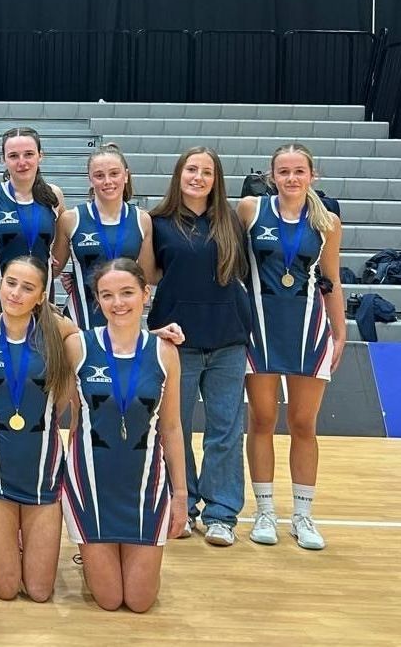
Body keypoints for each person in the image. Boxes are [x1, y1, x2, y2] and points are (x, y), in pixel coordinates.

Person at [238, 143, 347, 551]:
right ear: (272, 177)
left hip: (308, 330)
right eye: (283, 172)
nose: (291, 178)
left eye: (299, 171)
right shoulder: (250, 210)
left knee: (304, 423)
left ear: (312, 175)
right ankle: (265, 510)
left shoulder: (327, 221)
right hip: (260, 330)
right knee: (262, 419)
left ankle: (303, 514)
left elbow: (332, 280)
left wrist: (340, 332)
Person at [63, 259, 188, 612]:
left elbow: (172, 426)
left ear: (145, 294)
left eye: (127, 293)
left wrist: (179, 496)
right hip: (90, 482)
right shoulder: (78, 346)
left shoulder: (165, 351)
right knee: (108, 599)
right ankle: (91, 554)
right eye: (107, 295)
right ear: (97, 301)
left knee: (139, 601)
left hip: (145, 484)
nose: (118, 303)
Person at [0, 254, 76, 601]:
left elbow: (110, 341)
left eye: (28, 288)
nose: (15, 293)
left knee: (40, 592)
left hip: (43, 473)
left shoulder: (60, 332)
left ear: (41, 295)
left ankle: (9, 542)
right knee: (6, 588)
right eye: (11, 283)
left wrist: (158, 336)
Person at [149, 146, 250, 546]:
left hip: (228, 337)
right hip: (177, 341)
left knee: (225, 429)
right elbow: (148, 275)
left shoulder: (231, 220)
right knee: (176, 427)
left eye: (206, 171)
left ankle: (223, 513)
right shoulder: (156, 222)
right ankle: (183, 505)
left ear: (216, 179)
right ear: (179, 174)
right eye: (191, 169)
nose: (198, 177)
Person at [0, 126, 64, 314]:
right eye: (13, 156)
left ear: (40, 155)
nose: (22, 162)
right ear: (3, 159)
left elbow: (60, 245)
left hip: (40, 298)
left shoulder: (54, 195)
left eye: (28, 154)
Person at [52, 143, 153, 329]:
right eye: (99, 175)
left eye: (114, 173)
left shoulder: (142, 220)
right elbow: (52, 269)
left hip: (124, 320)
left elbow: (146, 275)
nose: (107, 181)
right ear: (90, 179)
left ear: (126, 175)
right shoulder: (70, 219)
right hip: (79, 321)